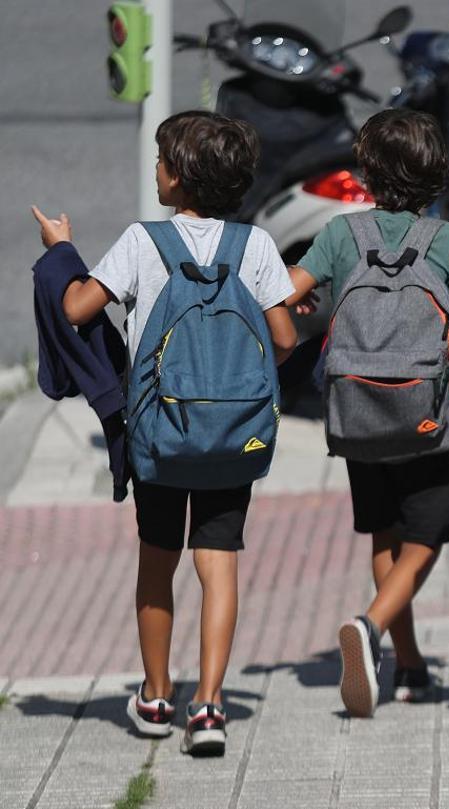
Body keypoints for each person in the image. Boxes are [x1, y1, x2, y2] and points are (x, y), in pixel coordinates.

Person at [32, 110, 297, 756]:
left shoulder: (141, 242)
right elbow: (285, 339)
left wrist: (60, 250)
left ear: (178, 178)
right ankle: (209, 706)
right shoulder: (255, 246)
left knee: (158, 560)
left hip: (159, 433)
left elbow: (75, 309)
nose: (155, 169)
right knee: (220, 561)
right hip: (235, 435)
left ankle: (155, 694)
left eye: (161, 161)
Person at [285, 109, 449, 717]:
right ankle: (371, 625)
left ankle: (409, 666)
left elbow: (286, 288)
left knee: (385, 529)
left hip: (358, 413)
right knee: (428, 535)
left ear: (367, 173)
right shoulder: (447, 241)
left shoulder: (342, 234)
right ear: (436, 176)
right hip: (426, 416)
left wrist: (306, 309)